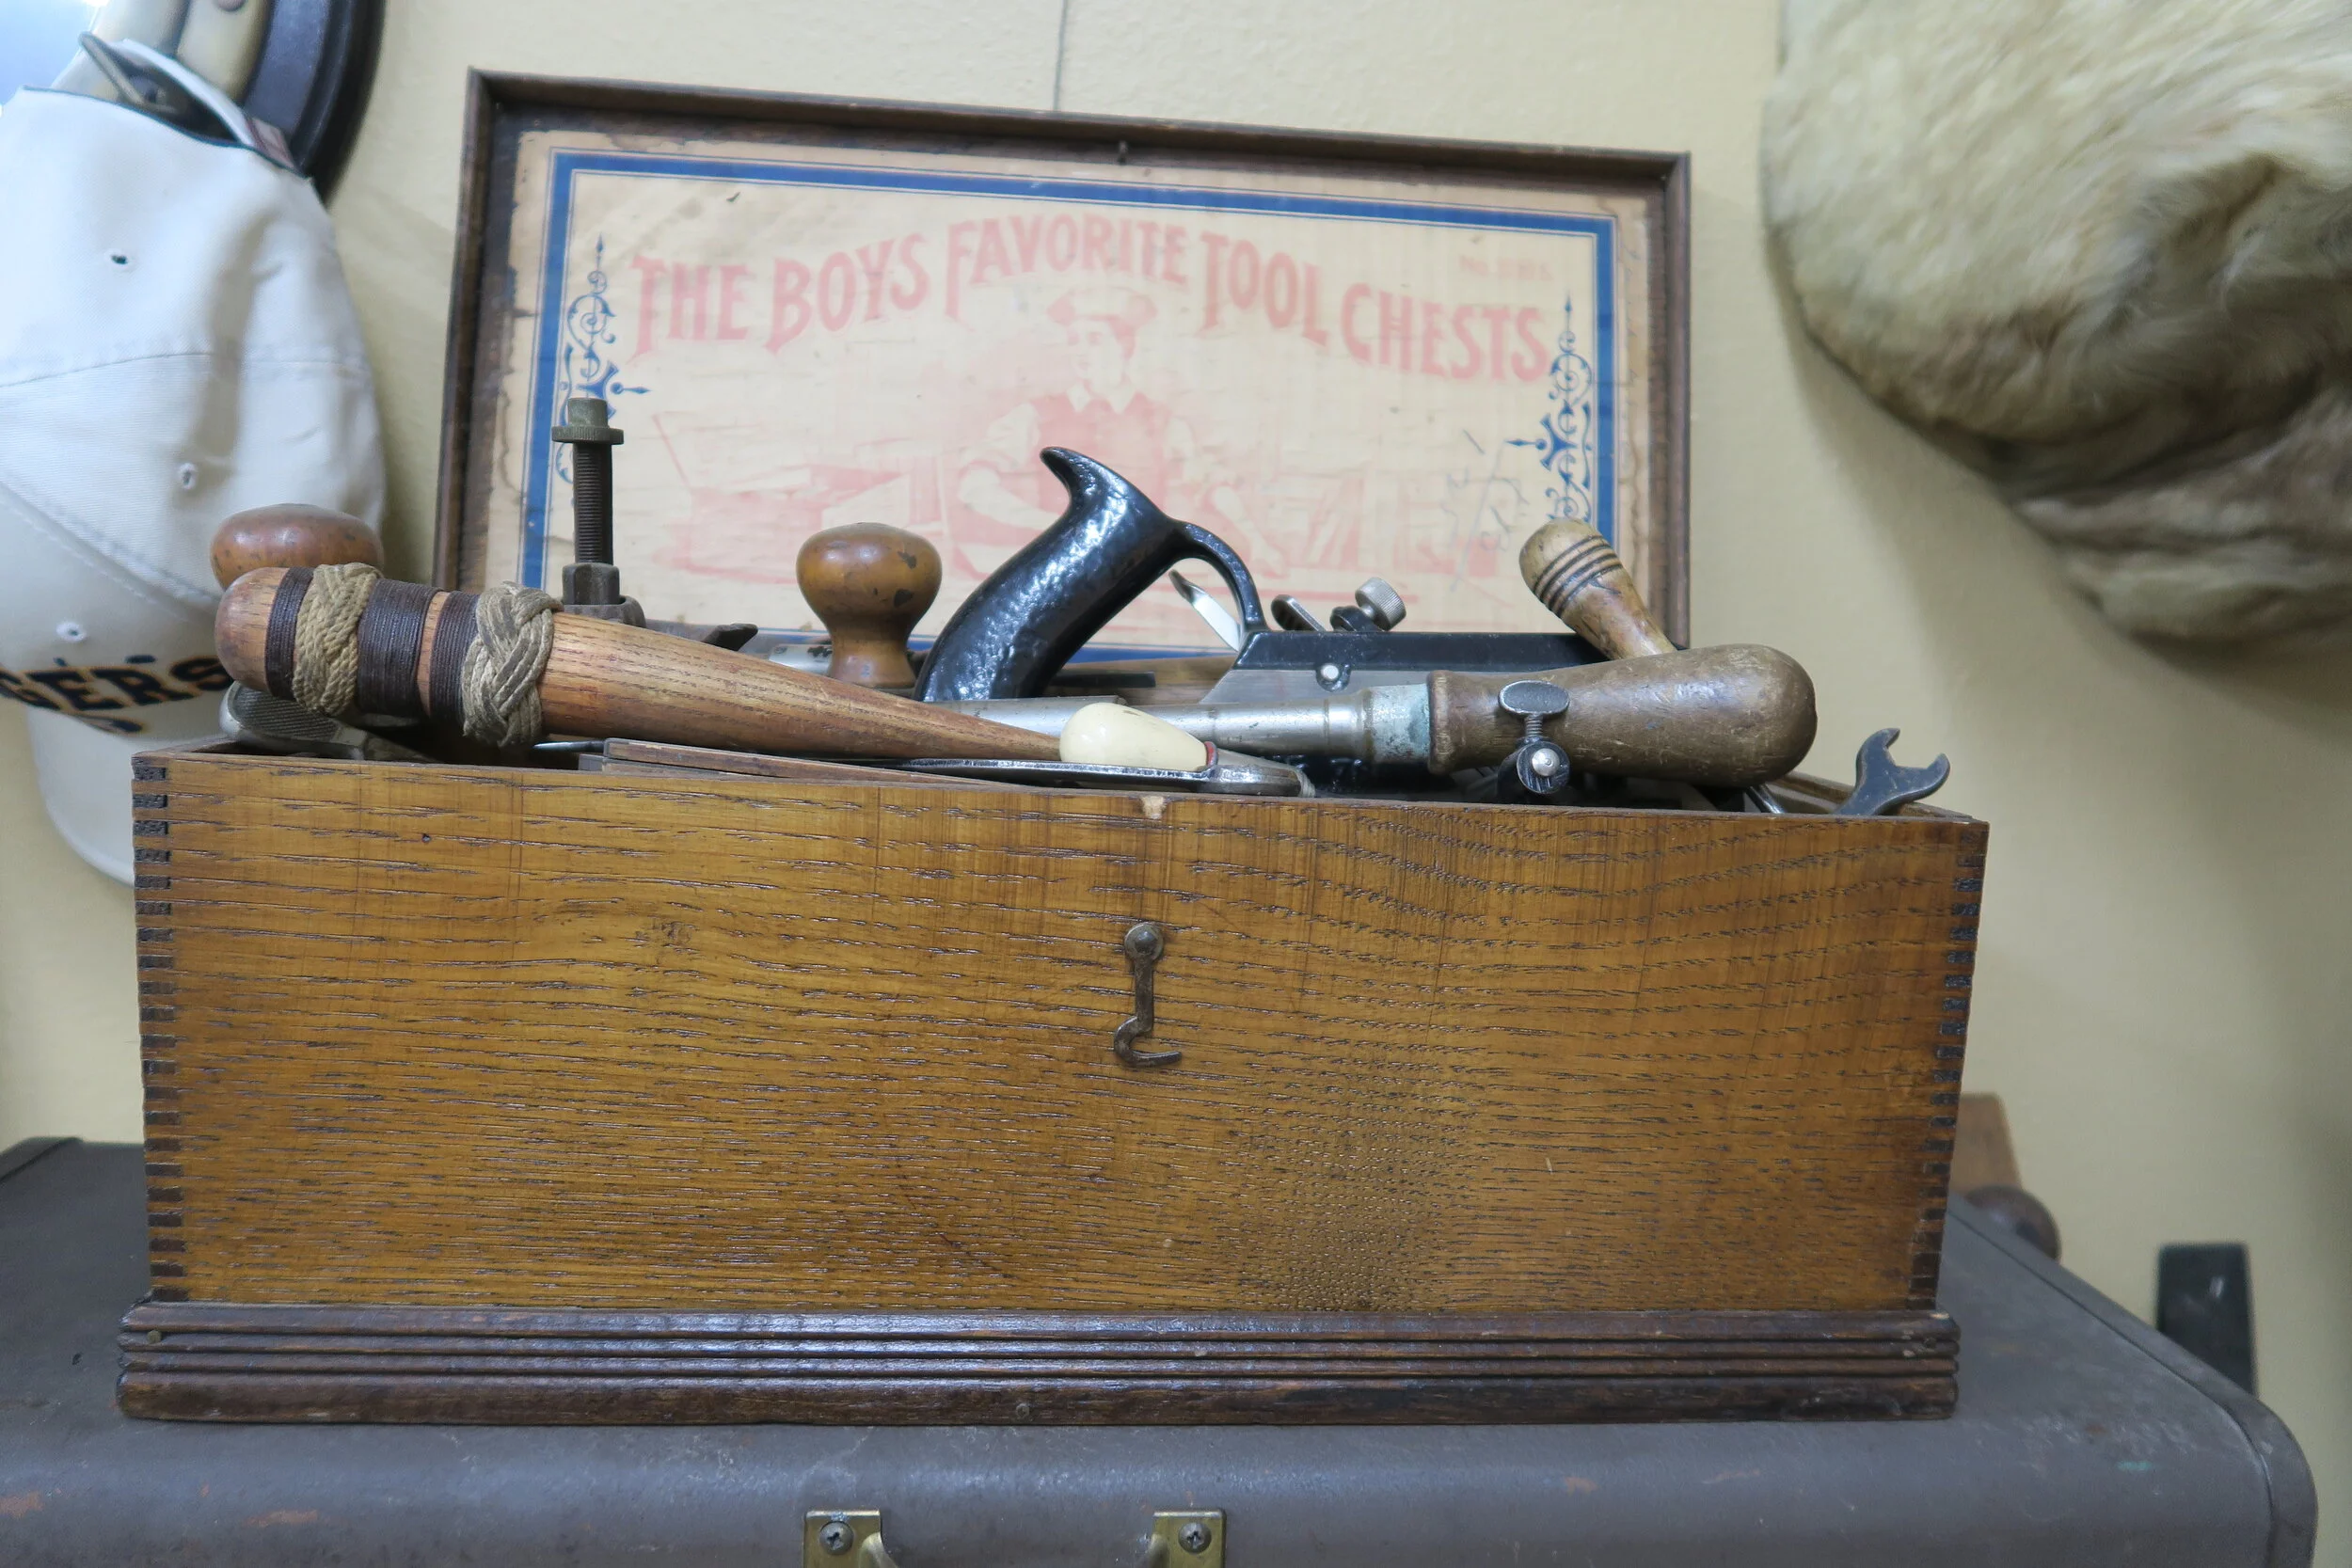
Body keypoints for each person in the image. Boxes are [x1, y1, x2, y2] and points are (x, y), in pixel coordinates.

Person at [954, 287, 1284, 578]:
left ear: (1125, 347)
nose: (1080, 351)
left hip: (1137, 576)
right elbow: (973, 484)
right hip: (1059, 573)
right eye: (1074, 341)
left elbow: (1210, 482)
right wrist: (1045, 524)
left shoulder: (1162, 423)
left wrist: (1257, 542)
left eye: (1094, 340)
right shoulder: (1035, 415)